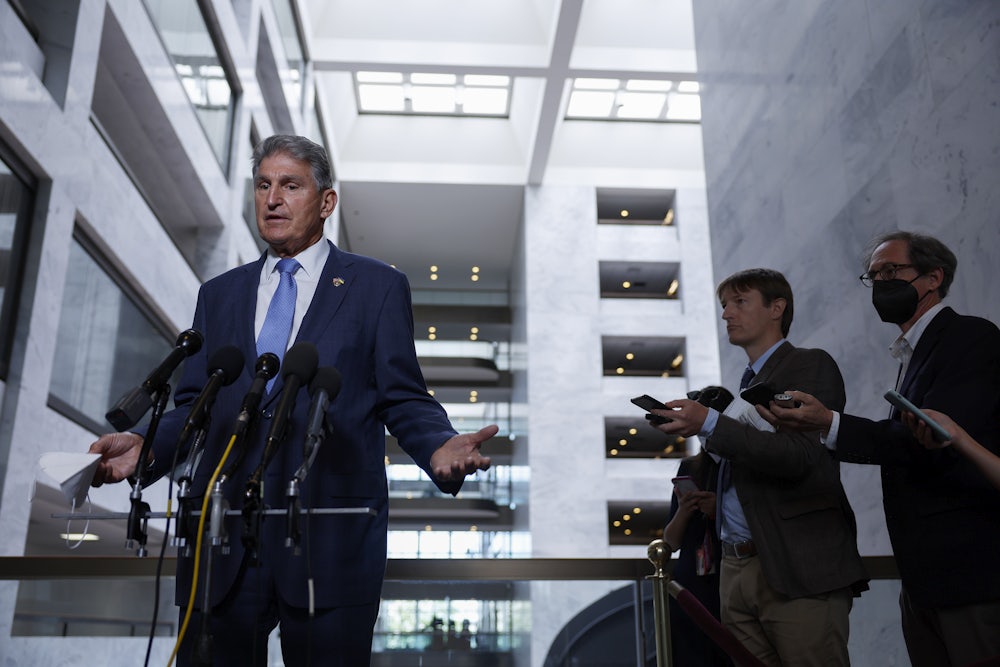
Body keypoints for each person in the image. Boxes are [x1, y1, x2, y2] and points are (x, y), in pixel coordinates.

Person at [88, 135, 496, 666]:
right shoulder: (219, 294)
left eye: (290, 185)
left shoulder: (377, 288)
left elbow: (402, 396)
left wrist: (439, 445)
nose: (273, 199)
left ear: (326, 202)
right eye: (263, 185)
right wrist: (143, 446)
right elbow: (194, 406)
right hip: (223, 541)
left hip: (329, 539)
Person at [762, 231, 1000, 667]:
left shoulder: (969, 336)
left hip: (969, 574)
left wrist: (828, 422)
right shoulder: (912, 353)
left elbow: (938, 440)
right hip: (923, 577)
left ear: (933, 278)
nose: (881, 284)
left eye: (891, 271)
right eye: (873, 276)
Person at [650, 268, 868, 667]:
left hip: (795, 564)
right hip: (734, 565)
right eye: (724, 305)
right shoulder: (748, 383)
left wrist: (710, 422)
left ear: (776, 308)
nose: (726, 314)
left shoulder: (809, 365)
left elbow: (799, 457)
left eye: (740, 302)